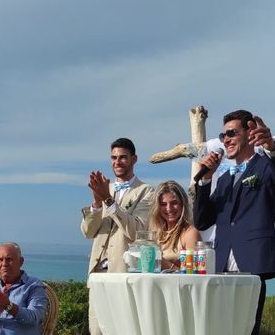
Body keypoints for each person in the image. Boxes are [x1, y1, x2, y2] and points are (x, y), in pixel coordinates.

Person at [193, 110, 275, 335]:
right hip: (220, 266)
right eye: (223, 136)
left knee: (246, 328)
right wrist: (206, 179)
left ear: (250, 133)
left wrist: (272, 146)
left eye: (231, 133)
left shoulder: (266, 166)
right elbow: (202, 221)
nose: (226, 140)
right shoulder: (223, 180)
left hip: (251, 263)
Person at [80, 137, 154, 335]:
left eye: (122, 157)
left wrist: (108, 200)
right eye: (113, 158)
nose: (117, 162)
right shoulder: (106, 188)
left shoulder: (145, 191)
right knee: (95, 329)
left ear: (134, 159)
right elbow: (88, 232)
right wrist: (96, 204)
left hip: (123, 273)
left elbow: (137, 231)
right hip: (97, 273)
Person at [0, 242, 48, 334]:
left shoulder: (34, 285)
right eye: (0, 260)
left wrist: (8, 306)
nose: (4, 264)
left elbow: (35, 317)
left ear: (21, 261)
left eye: (9, 259)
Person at [148, 180, 201, 270]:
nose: (169, 209)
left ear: (182, 203)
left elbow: (193, 273)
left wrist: (167, 265)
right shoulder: (156, 232)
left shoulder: (190, 233)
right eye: (163, 204)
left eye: (174, 203)